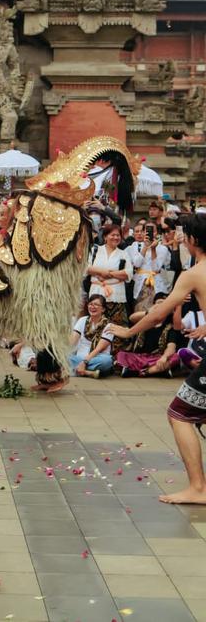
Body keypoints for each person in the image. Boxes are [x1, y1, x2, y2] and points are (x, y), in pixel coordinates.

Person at [108, 213, 206, 505]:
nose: (181, 241)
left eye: (184, 236)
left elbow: (159, 314)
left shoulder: (193, 274)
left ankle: (198, 488)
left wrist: (128, 331)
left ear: (193, 240)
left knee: (180, 413)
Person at [85, 224, 133, 333]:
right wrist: (101, 271)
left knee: (115, 325)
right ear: (105, 237)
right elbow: (85, 268)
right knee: (96, 324)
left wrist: (110, 274)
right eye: (113, 235)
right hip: (97, 291)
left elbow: (128, 273)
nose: (116, 237)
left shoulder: (123, 253)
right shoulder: (95, 250)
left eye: (118, 235)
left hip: (116, 292)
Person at [69, 295, 114, 378]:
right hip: (80, 358)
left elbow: (98, 349)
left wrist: (84, 362)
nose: (92, 307)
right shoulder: (82, 320)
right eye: (90, 304)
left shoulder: (109, 326)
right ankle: (88, 372)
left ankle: (76, 370)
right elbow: (73, 340)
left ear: (103, 309)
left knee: (107, 361)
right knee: (63, 358)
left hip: (97, 358)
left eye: (96, 304)